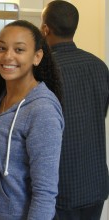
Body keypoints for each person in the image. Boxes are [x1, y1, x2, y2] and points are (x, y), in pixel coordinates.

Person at [0, 20, 64, 220]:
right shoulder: (2, 97)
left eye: (19, 49)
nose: (8, 56)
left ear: (37, 57)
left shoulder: (42, 109)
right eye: (1, 48)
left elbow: (45, 193)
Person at [40, 1, 109, 219]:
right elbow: (100, 114)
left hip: (60, 185)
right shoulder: (99, 66)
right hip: (95, 182)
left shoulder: (42, 71)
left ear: (45, 29)